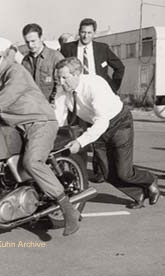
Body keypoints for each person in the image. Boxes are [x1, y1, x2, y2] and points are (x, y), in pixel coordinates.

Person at [0, 33, 80, 236]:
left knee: (32, 162)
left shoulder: (15, 70)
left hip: (39, 122)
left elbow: (11, 92)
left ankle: (68, 211)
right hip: (16, 127)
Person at [54, 57, 160, 209]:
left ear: (77, 73)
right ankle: (139, 194)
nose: (61, 82)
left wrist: (80, 142)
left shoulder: (95, 85)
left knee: (124, 172)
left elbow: (102, 121)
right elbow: (59, 119)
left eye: (64, 77)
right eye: (58, 78)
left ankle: (150, 179)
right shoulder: (63, 91)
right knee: (107, 173)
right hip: (97, 127)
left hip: (118, 123)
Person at [60, 18, 125, 183]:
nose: (85, 35)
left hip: (96, 96)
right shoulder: (68, 48)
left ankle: (99, 172)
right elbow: (60, 69)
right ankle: (78, 173)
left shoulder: (102, 48)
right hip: (77, 99)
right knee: (79, 135)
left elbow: (119, 67)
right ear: (78, 31)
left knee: (99, 135)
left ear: (94, 33)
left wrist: (113, 89)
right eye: (83, 32)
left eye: (89, 32)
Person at [21, 23, 64, 102]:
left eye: (33, 41)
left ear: (41, 38)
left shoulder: (55, 57)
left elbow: (61, 84)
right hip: (32, 105)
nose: (30, 45)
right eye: (27, 42)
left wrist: (54, 101)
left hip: (52, 106)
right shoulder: (25, 61)